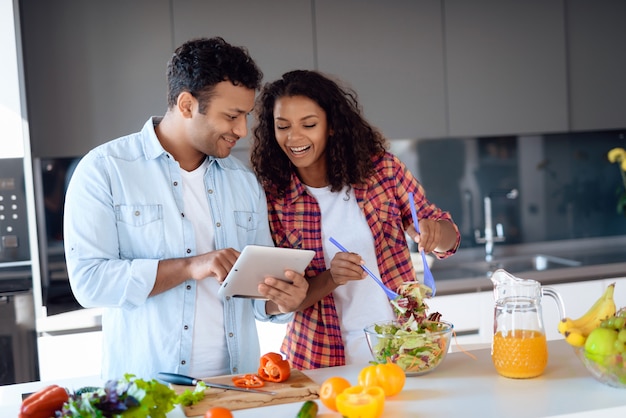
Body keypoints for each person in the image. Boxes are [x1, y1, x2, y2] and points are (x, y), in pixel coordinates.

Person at [63, 37, 308, 380]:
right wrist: (191, 266)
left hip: (238, 389)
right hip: (148, 393)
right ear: (187, 104)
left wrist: (283, 300)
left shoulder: (243, 182)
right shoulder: (105, 170)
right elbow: (90, 283)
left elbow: (257, 297)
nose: (242, 130)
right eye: (232, 116)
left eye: (246, 116)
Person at [250, 70, 460, 369]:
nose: (294, 138)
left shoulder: (381, 170)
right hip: (320, 360)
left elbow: (448, 237)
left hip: (404, 349)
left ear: (332, 126)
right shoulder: (273, 198)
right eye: (283, 126)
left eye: (309, 124)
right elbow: (280, 300)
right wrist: (331, 278)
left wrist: (435, 233)